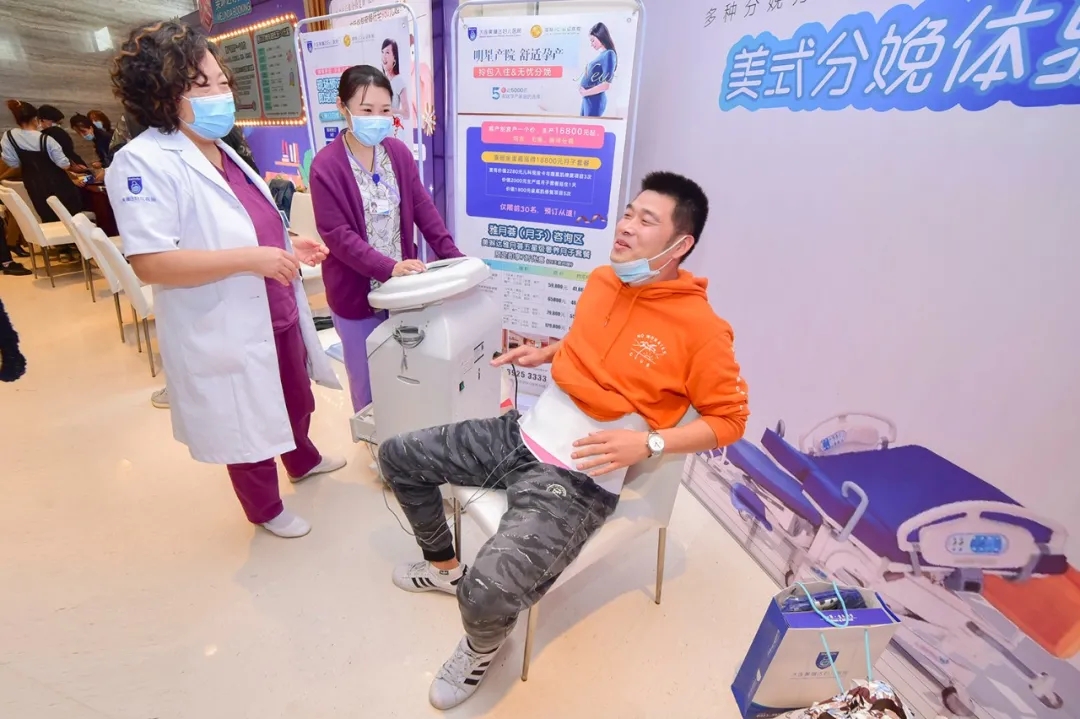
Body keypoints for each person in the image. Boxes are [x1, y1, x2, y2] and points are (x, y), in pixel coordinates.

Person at [379, 171, 749, 709]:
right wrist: (549, 351)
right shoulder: (603, 280)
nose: (626, 226)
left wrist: (648, 446)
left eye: (646, 220)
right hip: (521, 434)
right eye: (628, 212)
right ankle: (444, 569)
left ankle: (481, 649)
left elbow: (731, 419)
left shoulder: (703, 330)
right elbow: (592, 343)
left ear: (680, 244)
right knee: (398, 455)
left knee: (486, 596)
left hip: (578, 479)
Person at [107, 20, 346, 537]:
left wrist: (286, 244)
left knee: (293, 395)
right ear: (162, 94)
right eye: (201, 86)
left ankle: (301, 459)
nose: (220, 95)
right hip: (224, 319)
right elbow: (150, 262)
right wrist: (250, 259)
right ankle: (265, 508)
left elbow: (244, 220)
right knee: (247, 414)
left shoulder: (222, 147)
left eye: (221, 82)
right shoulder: (141, 162)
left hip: (274, 306)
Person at [309, 65, 463, 414]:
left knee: (407, 375)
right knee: (368, 384)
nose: (377, 119)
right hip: (356, 295)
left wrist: (453, 257)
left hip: (403, 291)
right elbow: (338, 236)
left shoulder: (397, 153)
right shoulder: (326, 166)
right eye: (366, 110)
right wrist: (388, 267)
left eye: (384, 110)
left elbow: (422, 208)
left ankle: (404, 436)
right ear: (342, 107)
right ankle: (374, 440)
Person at [1, 99, 85, 227]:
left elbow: (13, 163)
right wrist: (73, 166)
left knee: (47, 217)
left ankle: (56, 239)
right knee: (69, 217)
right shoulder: (46, 139)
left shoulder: (9, 137)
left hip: (34, 185)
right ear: (36, 119)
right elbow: (64, 164)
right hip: (59, 185)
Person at [579, 22, 618, 117]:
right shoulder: (602, 55)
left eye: (593, 40)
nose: (591, 44)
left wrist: (586, 92)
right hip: (588, 98)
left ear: (600, 36)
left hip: (594, 100)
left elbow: (606, 85)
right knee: (583, 124)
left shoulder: (609, 54)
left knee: (588, 125)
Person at [381, 39, 408, 117]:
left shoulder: (399, 81)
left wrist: (390, 110)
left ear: (394, 58)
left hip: (391, 123)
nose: (383, 56)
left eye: (387, 52)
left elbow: (406, 114)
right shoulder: (381, 80)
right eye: (382, 52)